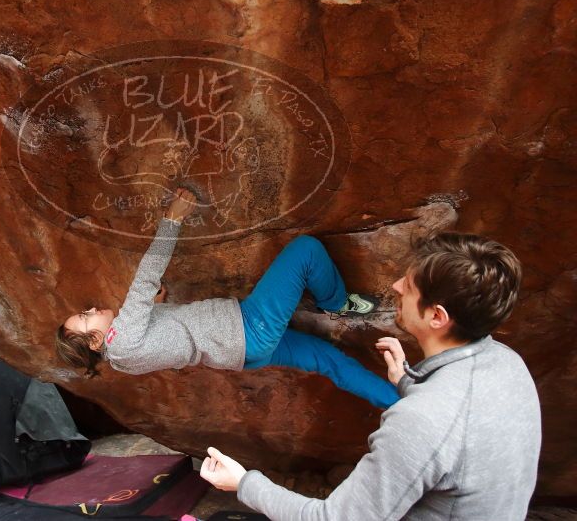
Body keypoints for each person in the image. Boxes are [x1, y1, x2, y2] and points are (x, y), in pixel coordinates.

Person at [200, 232, 542, 520]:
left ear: (437, 317)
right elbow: (455, 431)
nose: (396, 286)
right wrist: (408, 383)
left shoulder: (420, 422)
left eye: (409, 287)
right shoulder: (508, 363)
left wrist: (243, 483)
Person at [56, 187, 399, 409]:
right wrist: (172, 219)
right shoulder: (120, 339)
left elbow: (164, 344)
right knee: (306, 251)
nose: (92, 309)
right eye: (86, 317)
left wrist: (156, 308)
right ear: (96, 342)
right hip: (249, 328)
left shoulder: (121, 360)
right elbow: (145, 278)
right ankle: (337, 304)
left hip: (242, 352)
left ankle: (399, 404)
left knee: (329, 361)